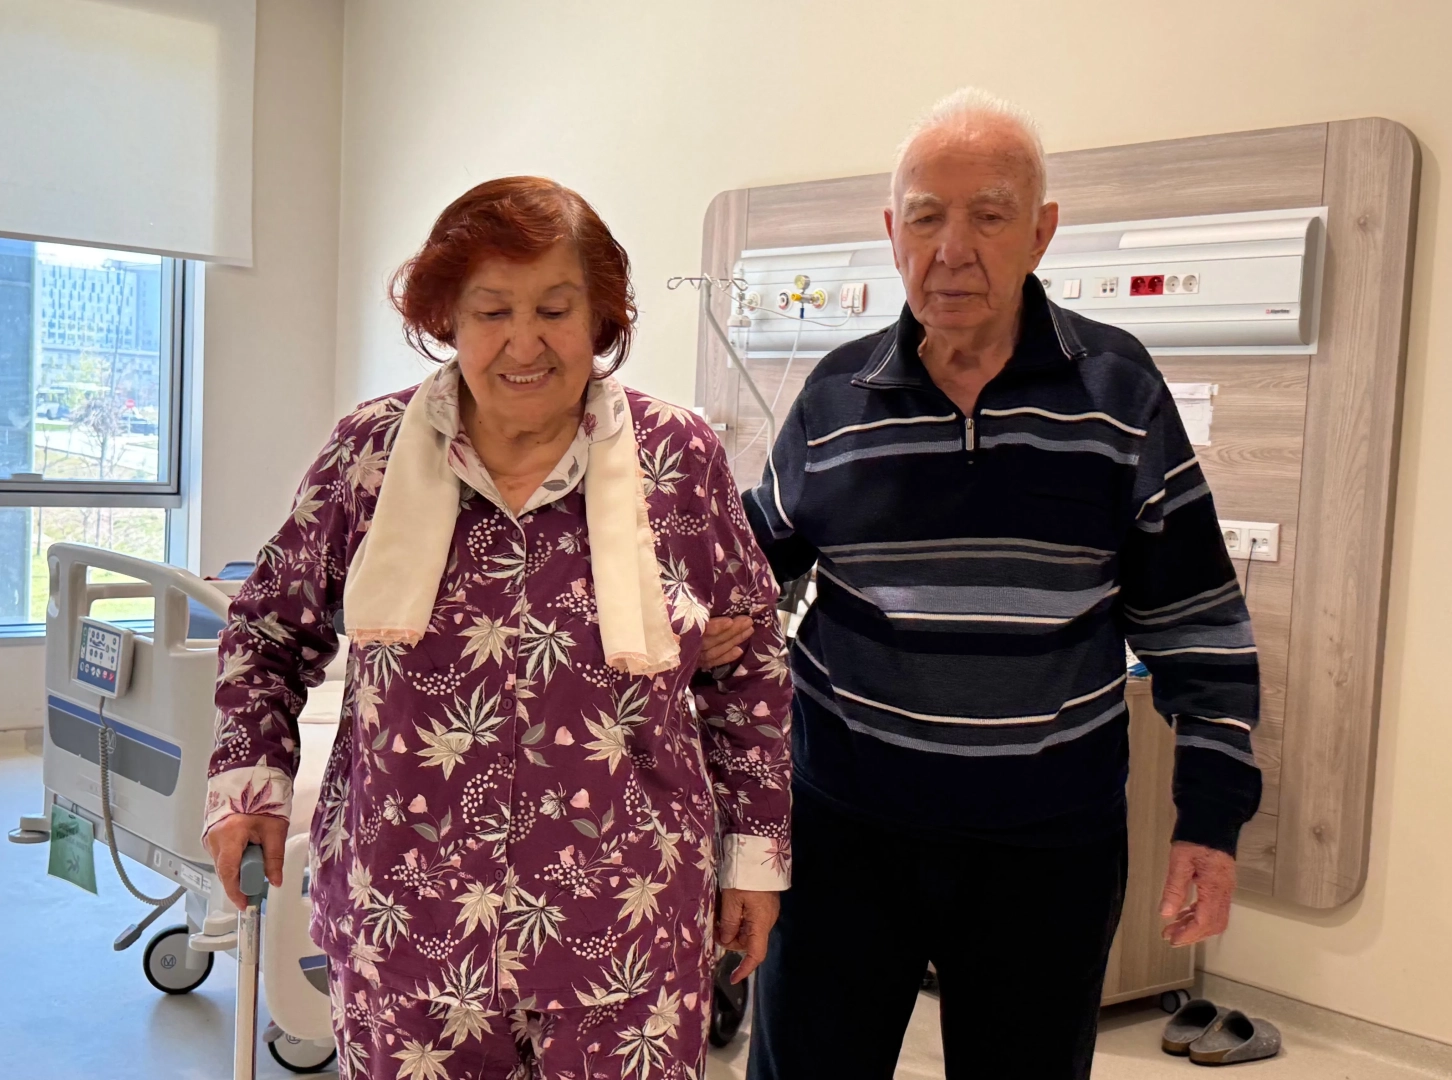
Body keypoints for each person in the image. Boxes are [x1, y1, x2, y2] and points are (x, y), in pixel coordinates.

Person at [702, 88, 1262, 1080]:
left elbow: (1197, 627)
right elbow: (747, 561)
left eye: (989, 216)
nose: (951, 249)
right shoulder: (835, 398)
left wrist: (1209, 824)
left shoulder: (1118, 393)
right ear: (892, 232)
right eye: (925, 217)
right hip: (844, 829)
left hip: (1046, 847)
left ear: (1041, 231)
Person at [203, 177, 793, 1080]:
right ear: (446, 317)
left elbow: (747, 667)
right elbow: (269, 630)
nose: (524, 343)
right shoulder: (369, 453)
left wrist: (753, 853)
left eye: (554, 310)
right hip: (407, 923)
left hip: (623, 931)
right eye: (491, 312)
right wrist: (251, 786)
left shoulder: (677, 457)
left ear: (600, 319)